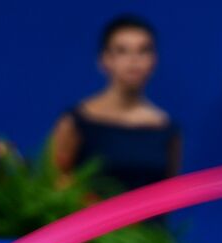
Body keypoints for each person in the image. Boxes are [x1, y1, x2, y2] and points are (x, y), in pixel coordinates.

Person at [50, 16, 181, 194]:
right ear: (104, 59)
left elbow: (168, 195)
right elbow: (51, 185)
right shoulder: (76, 122)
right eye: (122, 51)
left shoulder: (166, 129)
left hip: (150, 223)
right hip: (93, 221)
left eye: (143, 51)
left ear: (154, 60)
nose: (134, 60)